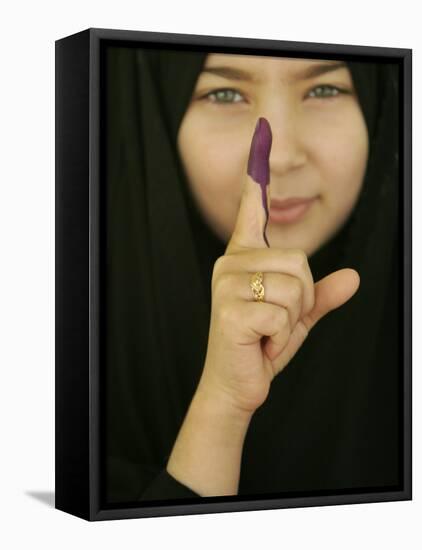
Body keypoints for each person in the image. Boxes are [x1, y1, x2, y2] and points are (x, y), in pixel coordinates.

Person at [105, 45, 400, 504]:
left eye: (325, 89)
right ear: (160, 112)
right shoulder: (80, 349)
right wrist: (222, 405)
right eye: (224, 94)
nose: (281, 157)